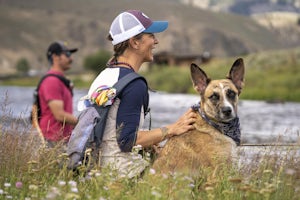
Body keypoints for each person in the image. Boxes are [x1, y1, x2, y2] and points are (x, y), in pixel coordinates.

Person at [80, 10, 197, 178]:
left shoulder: (104, 76)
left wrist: (151, 142)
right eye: (151, 36)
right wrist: (172, 128)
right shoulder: (134, 84)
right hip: (124, 175)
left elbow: (111, 131)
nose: (156, 41)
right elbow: (128, 141)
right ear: (134, 42)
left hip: (96, 172)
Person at [38, 41, 78, 146]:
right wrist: (83, 123)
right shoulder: (52, 81)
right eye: (67, 54)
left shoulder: (60, 80)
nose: (71, 59)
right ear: (56, 57)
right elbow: (59, 115)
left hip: (61, 141)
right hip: (53, 141)